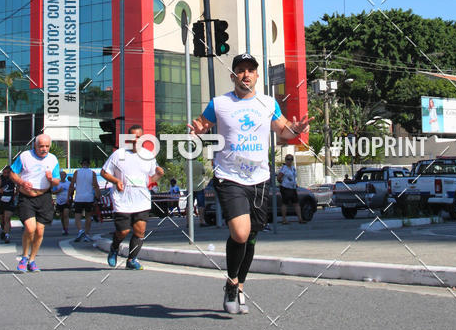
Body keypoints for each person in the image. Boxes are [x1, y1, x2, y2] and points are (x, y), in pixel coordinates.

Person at [189, 53, 309, 315]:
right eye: (240, 70)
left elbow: (283, 131)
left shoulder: (267, 103)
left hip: (260, 178)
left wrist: (296, 130)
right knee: (240, 233)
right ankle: (231, 284)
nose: (246, 74)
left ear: (257, 76)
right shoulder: (219, 103)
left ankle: (240, 285)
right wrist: (197, 129)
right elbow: (202, 122)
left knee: (251, 235)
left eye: (250, 70)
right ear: (233, 76)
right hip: (229, 176)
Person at [101, 124, 164, 269]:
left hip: (141, 200)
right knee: (123, 231)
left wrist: (158, 175)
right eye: (133, 137)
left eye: (139, 137)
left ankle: (131, 260)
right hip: (122, 200)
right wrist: (116, 181)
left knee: (140, 231)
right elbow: (104, 172)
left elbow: (150, 179)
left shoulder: (148, 156)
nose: (136, 140)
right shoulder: (118, 154)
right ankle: (114, 248)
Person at [9, 134, 60, 272]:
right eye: (41, 146)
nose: (44, 149)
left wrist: (51, 179)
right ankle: (24, 257)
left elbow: (57, 181)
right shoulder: (25, 156)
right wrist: (22, 182)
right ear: (35, 146)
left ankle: (32, 260)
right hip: (26, 197)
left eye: (47, 146)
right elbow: (12, 173)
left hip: (44, 197)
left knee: (39, 231)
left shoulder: (53, 159)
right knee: (30, 228)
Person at [69, 157, 101, 242]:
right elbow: (96, 186)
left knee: (77, 216)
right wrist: (98, 196)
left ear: (81, 164)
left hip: (79, 198)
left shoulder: (77, 172)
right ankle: (86, 234)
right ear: (89, 164)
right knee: (88, 216)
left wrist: (69, 196)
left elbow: (72, 185)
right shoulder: (92, 173)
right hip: (89, 198)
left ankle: (80, 230)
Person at [277, 155, 304, 224]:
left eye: (291, 159)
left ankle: (300, 219)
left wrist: (294, 184)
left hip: (293, 188)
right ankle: (284, 219)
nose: (290, 161)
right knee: (285, 203)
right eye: (288, 159)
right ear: (285, 160)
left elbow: (294, 177)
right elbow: (279, 178)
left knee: (296, 203)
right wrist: (283, 183)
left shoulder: (293, 168)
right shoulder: (284, 168)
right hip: (286, 188)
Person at [52, 170, 71, 235]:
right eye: (61, 175)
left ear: (65, 176)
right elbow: (52, 192)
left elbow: (72, 191)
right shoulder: (57, 183)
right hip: (59, 201)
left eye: (63, 175)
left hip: (67, 201)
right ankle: (63, 227)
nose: (62, 176)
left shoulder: (68, 183)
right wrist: (58, 191)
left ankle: (66, 229)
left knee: (66, 215)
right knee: (62, 216)